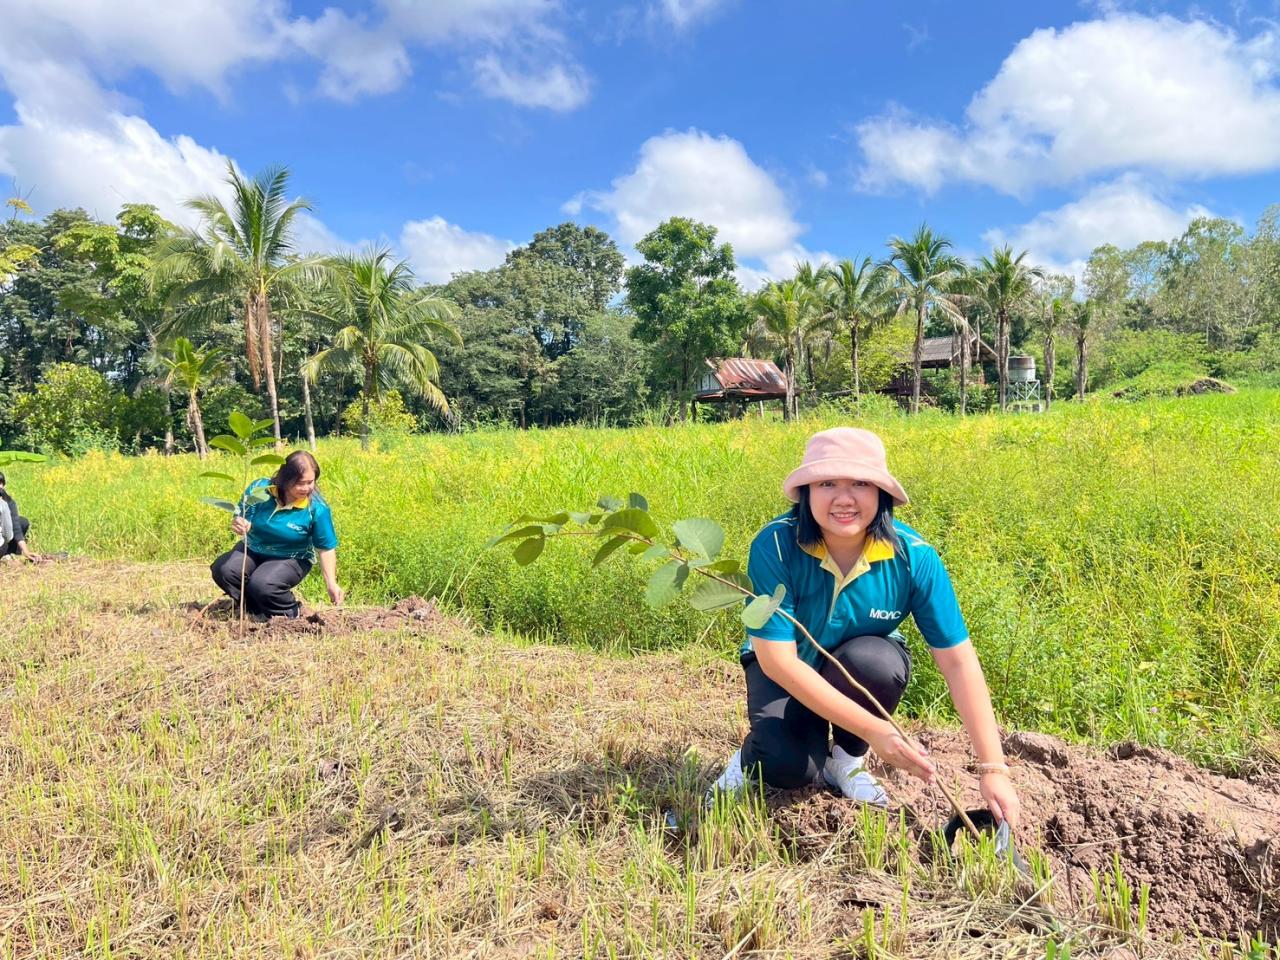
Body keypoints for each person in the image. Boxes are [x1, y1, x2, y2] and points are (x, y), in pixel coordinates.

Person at [710, 427, 1020, 827]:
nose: (844, 498)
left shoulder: (914, 557)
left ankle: (845, 761)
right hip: (786, 668)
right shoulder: (776, 546)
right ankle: (750, 758)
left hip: (856, 666)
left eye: (860, 483)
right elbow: (777, 662)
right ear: (806, 493)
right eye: (827, 484)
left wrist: (993, 768)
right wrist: (876, 730)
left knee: (877, 663)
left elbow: (958, 661)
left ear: (881, 493)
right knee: (788, 767)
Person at [210, 450, 343, 619]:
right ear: (284, 479)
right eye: (300, 483)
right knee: (225, 570)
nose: (306, 488)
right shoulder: (260, 490)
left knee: (263, 584)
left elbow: (326, 549)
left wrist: (331, 583)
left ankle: (291, 614)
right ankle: (254, 611)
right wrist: (239, 522)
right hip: (253, 548)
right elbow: (242, 515)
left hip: (291, 557)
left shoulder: (317, 508)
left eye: (310, 482)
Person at [0, 471, 40, 563]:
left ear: (4, 485)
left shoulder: (8, 502)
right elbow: (8, 535)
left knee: (22, 522)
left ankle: (13, 553)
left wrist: (26, 552)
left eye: (0, 483)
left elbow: (15, 527)